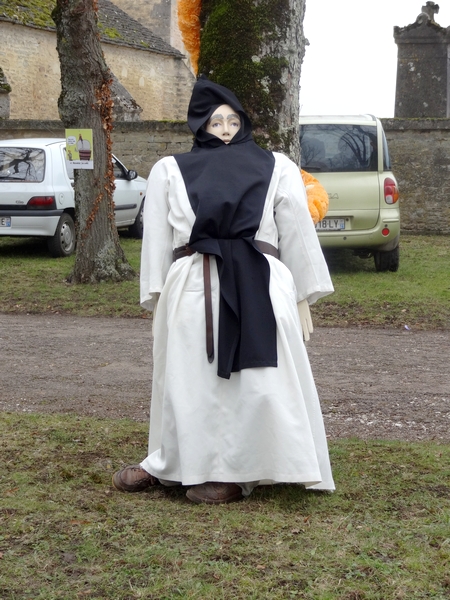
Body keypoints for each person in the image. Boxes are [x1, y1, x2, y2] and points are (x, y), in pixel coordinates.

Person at [112, 76, 335, 504]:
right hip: (193, 280)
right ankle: (172, 463)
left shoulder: (279, 166)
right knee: (187, 378)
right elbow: (158, 238)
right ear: (200, 126)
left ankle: (241, 473)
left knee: (254, 382)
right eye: (216, 121)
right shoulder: (169, 170)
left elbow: (297, 233)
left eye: (233, 120)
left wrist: (303, 295)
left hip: (259, 280)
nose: (227, 128)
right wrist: (156, 297)